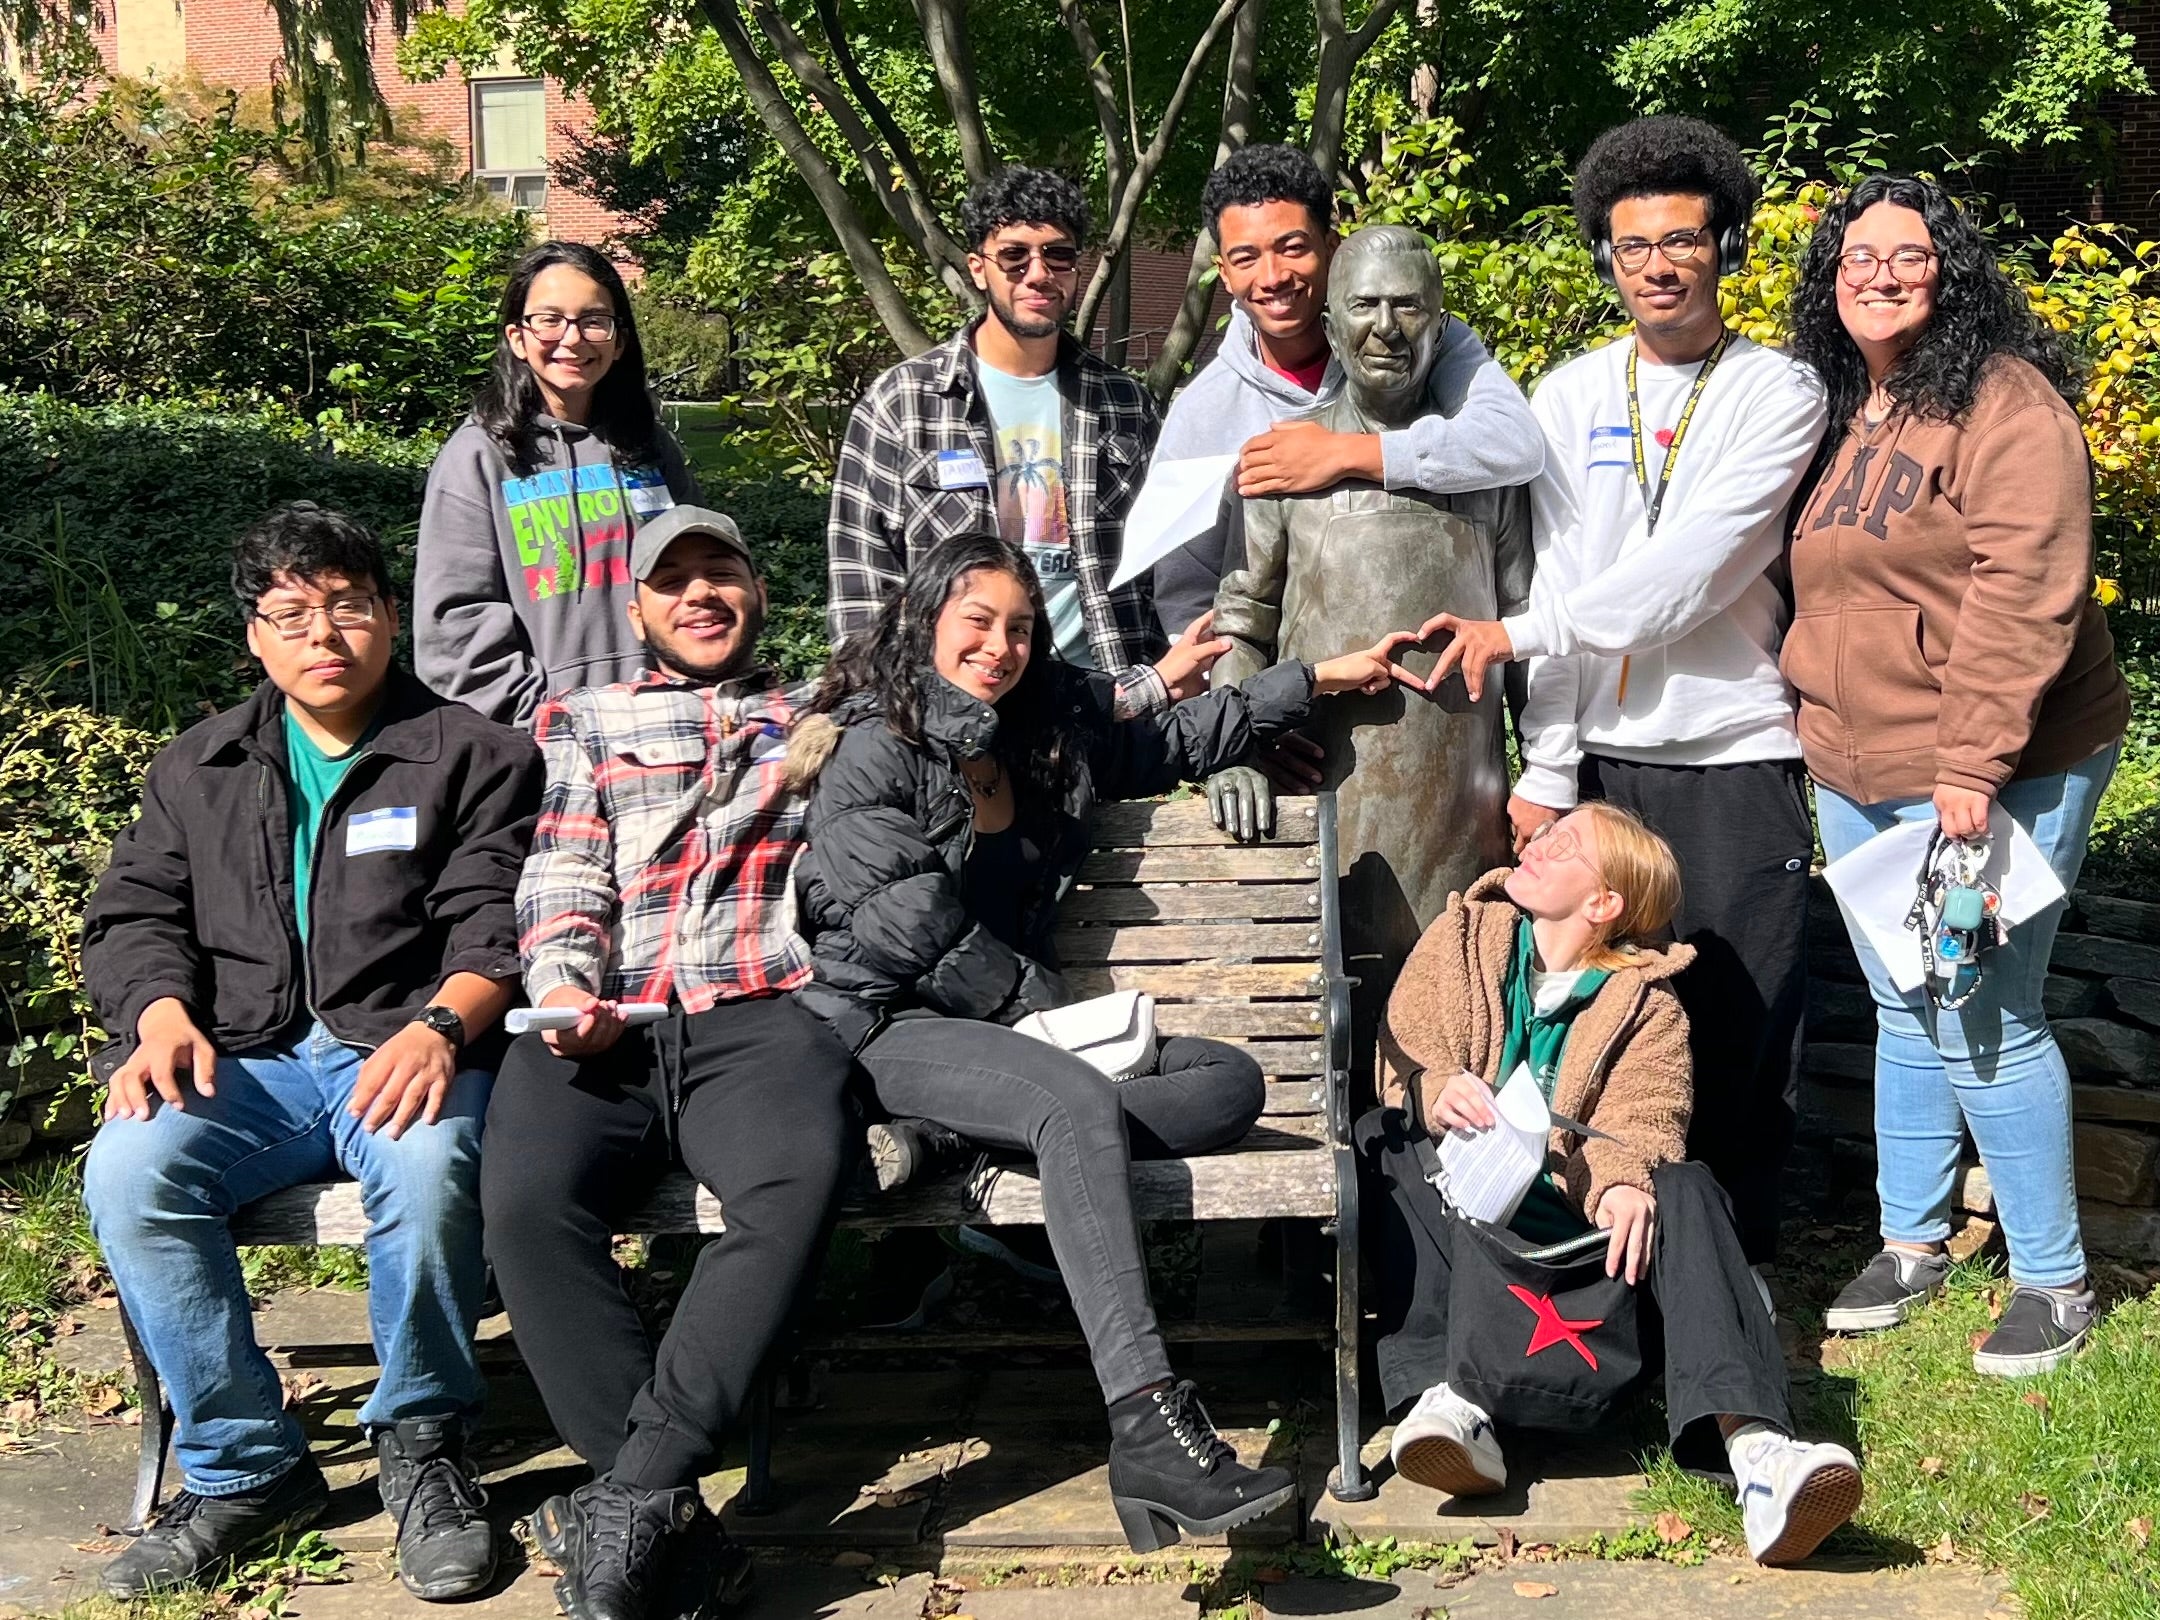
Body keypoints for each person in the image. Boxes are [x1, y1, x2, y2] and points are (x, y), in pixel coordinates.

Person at [788, 532, 1413, 1552]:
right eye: (977, 622)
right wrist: (1044, 1024)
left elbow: (1173, 740)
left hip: (1001, 1042)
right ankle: (1151, 1429)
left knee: (1229, 1083)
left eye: (1022, 628)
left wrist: (1315, 679)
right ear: (928, 621)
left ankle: (950, 1139)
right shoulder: (876, 746)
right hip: (888, 1028)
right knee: (1068, 1101)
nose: (1000, 646)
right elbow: (917, 935)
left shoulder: (1041, 740)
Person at [81, 504, 542, 1600]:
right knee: (130, 1173)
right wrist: (156, 1013)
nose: (322, 637)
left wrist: (440, 1027)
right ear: (256, 636)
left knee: (432, 1175)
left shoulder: (475, 755)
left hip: (409, 1046)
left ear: (389, 616)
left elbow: (500, 922)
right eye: (291, 615)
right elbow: (135, 912)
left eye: (346, 608)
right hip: (247, 1062)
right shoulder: (200, 764)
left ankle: (425, 1446)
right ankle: (245, 1467)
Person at [1415, 116, 1829, 1269]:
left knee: (1738, 1026)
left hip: (1734, 751)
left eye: (1683, 240)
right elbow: (1556, 577)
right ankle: (1595, 1257)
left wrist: (1519, 633)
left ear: (1724, 247)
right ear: (1606, 254)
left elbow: (1691, 574)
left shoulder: (1777, 392)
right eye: (1631, 243)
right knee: (1598, 1025)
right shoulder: (1565, 393)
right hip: (1603, 768)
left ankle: (1730, 1268)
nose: (1657, 264)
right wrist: (1547, 769)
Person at [481, 505, 860, 1620]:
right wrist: (557, 986)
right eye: (674, 579)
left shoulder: (817, 714)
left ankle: (633, 1493)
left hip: (758, 1010)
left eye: (723, 573)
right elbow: (562, 866)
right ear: (638, 607)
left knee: (795, 1181)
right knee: (523, 1205)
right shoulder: (587, 719)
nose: (701, 594)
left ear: (756, 594)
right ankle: (675, 1521)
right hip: (608, 1016)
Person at [1786, 175, 2131, 1375]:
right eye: (1856, 258)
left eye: (1908, 255)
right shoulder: (1844, 409)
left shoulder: (2003, 400)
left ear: (1954, 272)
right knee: (1899, 993)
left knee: (1982, 999)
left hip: (2007, 759)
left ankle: (2053, 1279)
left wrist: (1972, 765)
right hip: (1855, 756)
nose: (1879, 274)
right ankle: (1913, 1241)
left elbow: (2025, 589)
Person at [1358, 803, 1865, 1567]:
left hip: (1583, 1248)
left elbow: (1651, 1113)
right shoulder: (1462, 936)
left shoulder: (1649, 1004)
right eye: (1545, 835)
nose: (1536, 844)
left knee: (1687, 1185)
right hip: (1469, 1223)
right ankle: (1449, 1402)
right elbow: (1397, 1050)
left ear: (1604, 905)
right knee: (1383, 1137)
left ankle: (1758, 1452)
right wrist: (1431, 1089)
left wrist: (1626, 1179)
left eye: (1564, 846)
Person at [827, 167, 1195, 719]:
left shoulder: (1126, 405)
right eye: (1014, 256)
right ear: (979, 268)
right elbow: (861, 589)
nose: (1038, 274)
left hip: (1104, 708)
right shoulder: (901, 405)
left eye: (1057, 255)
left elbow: (1167, 567)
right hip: (948, 716)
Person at [1149, 143, 1545, 643]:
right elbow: (1188, 590)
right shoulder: (1202, 414)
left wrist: (1347, 453)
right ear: (1224, 273)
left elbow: (1516, 442)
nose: (1272, 277)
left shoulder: (1425, 347)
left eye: (1292, 247)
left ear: (1331, 248)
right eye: (1245, 258)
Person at [417, 241, 700, 726]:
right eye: (549, 320)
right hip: (543, 746)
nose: (572, 339)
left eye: (594, 320)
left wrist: (687, 693)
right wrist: (551, 725)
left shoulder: (649, 448)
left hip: (666, 724)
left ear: (619, 341)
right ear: (517, 338)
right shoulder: (478, 458)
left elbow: (698, 575)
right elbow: (454, 631)